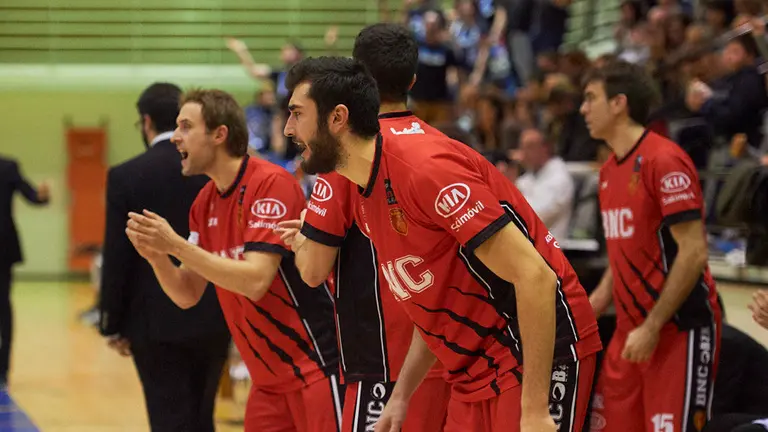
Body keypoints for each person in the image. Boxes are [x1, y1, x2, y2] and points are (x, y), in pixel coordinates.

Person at [282, 56, 603, 432]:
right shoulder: (365, 191)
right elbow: (435, 305)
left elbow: (536, 278)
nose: (288, 128)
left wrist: (533, 409)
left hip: (532, 356)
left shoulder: (424, 169)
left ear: (337, 118)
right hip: (472, 370)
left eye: (297, 113)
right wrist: (400, 397)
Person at [124, 88, 342, 432]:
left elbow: (256, 280)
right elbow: (187, 293)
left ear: (219, 134)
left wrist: (177, 246)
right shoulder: (204, 202)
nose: (175, 137)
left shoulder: (270, 183)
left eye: (185, 126)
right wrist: (157, 257)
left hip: (315, 369)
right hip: (266, 382)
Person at [276, 23, 451, 432]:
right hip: (443, 352)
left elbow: (314, 270)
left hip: (385, 363)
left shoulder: (346, 153)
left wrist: (303, 237)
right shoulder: (436, 145)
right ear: (412, 79)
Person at [581, 60, 722, 432]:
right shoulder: (609, 170)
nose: (583, 109)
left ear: (619, 103)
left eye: (591, 98)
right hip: (630, 333)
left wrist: (653, 325)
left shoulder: (665, 159)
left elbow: (694, 251)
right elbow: (626, 247)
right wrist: (597, 299)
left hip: (676, 330)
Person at [98, 83, 231, 431]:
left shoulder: (125, 175)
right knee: (203, 417)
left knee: (167, 417)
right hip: (216, 311)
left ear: (145, 122)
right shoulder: (215, 170)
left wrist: (112, 321)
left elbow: (118, 254)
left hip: (151, 320)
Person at [0, 156, 50, 387]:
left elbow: (32, 197)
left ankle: (3, 368)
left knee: (3, 306)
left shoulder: (8, 166)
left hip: (2, 247)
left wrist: (43, 195)